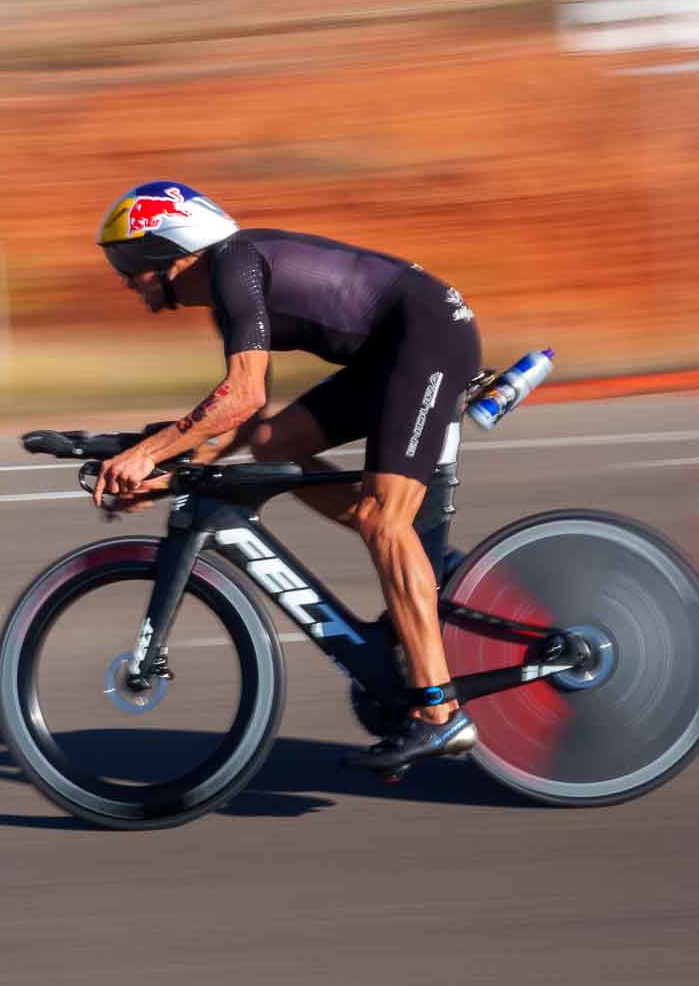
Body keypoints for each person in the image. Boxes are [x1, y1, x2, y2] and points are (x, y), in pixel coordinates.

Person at [90, 179, 482, 776]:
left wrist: (150, 453)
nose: (123, 278)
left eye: (126, 261)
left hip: (427, 336)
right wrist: (167, 471)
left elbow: (240, 396)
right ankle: (433, 567)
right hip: (393, 350)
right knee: (277, 443)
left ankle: (438, 712)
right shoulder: (229, 283)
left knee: (383, 518)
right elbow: (245, 417)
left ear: (167, 253)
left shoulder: (233, 266)